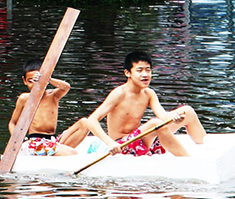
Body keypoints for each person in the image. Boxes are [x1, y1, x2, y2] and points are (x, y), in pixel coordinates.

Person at [60, 51, 205, 157]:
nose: (145, 75)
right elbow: (91, 120)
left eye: (148, 70)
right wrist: (110, 143)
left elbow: (163, 117)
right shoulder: (119, 93)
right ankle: (187, 160)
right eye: (140, 70)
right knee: (154, 123)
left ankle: (205, 148)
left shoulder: (149, 93)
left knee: (187, 111)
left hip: (141, 140)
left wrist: (176, 118)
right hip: (122, 145)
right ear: (127, 73)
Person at [8, 60, 78, 156]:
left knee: (84, 123)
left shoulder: (53, 95)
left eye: (37, 81)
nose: (35, 84)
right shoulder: (24, 98)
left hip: (53, 140)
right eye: (30, 81)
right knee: (72, 152)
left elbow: (66, 87)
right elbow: (13, 123)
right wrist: (16, 141)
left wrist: (47, 78)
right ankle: (61, 152)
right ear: (24, 81)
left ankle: (58, 152)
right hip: (36, 143)